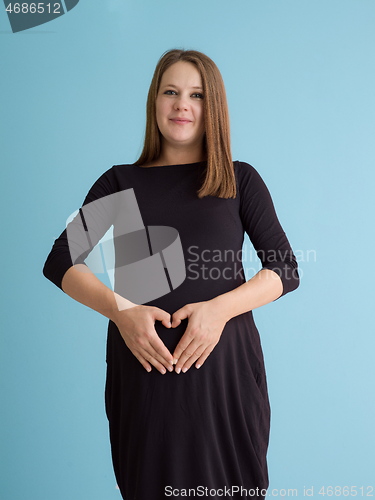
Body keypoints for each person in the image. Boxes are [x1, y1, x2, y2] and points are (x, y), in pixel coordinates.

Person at [43, 48, 300, 500]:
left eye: (197, 94)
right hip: (145, 375)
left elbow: (284, 267)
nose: (182, 104)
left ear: (212, 107)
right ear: (155, 102)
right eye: (171, 91)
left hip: (225, 376)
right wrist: (123, 313)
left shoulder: (239, 180)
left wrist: (218, 311)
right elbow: (61, 260)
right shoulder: (120, 182)